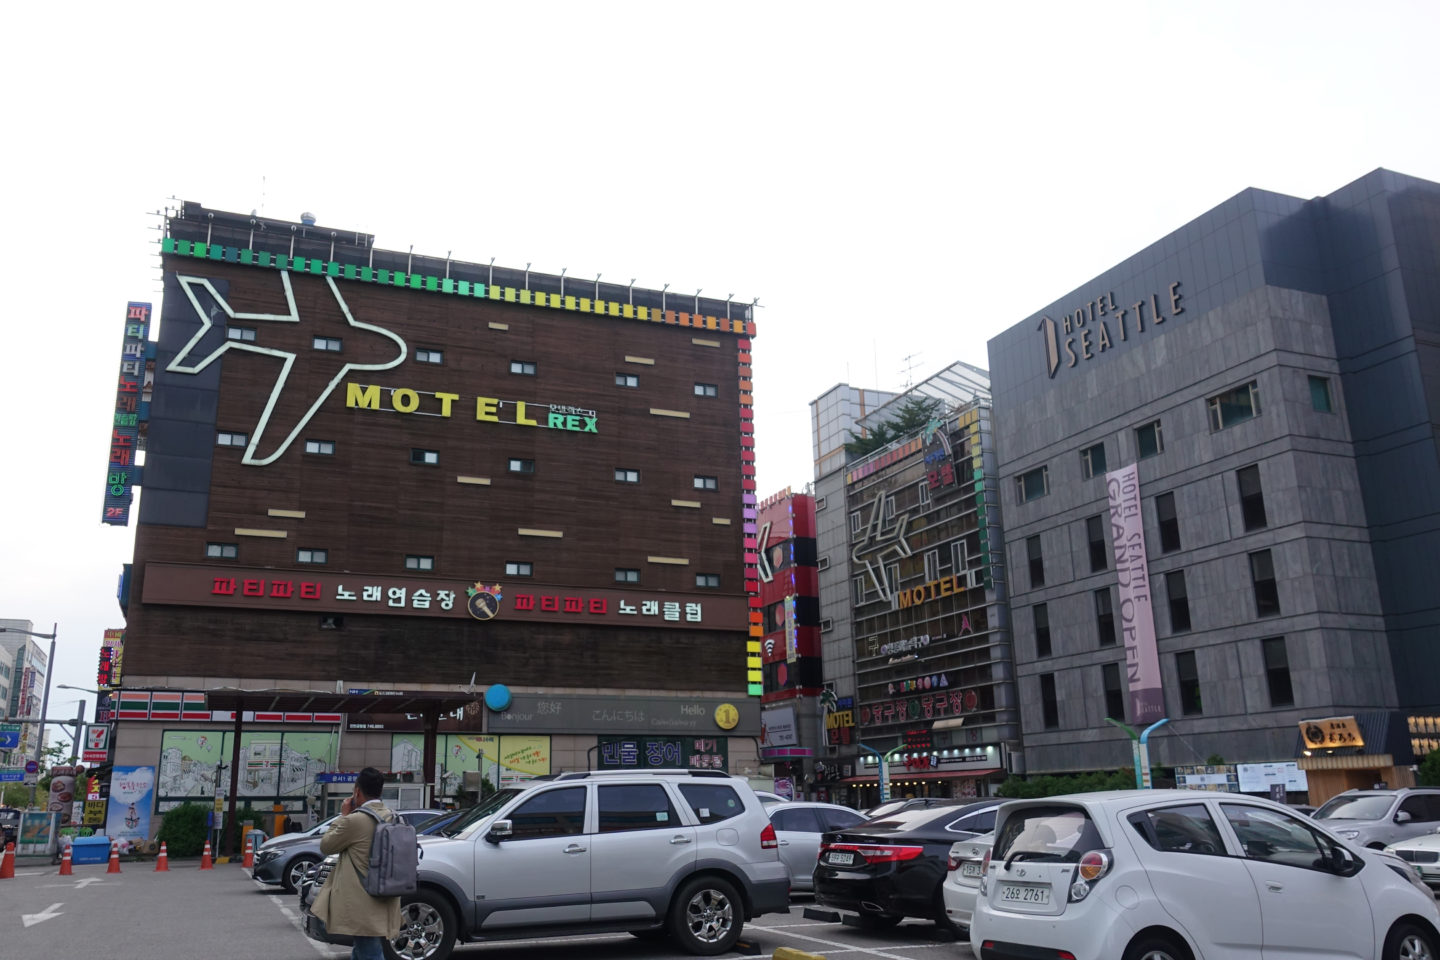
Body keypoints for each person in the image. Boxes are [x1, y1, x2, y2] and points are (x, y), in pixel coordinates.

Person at [311, 768, 402, 960]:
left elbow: (326, 845)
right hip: (386, 893)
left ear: (357, 791)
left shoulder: (355, 820)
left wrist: (343, 815)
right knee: (362, 949)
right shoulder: (393, 817)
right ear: (380, 791)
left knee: (370, 951)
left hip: (362, 900)